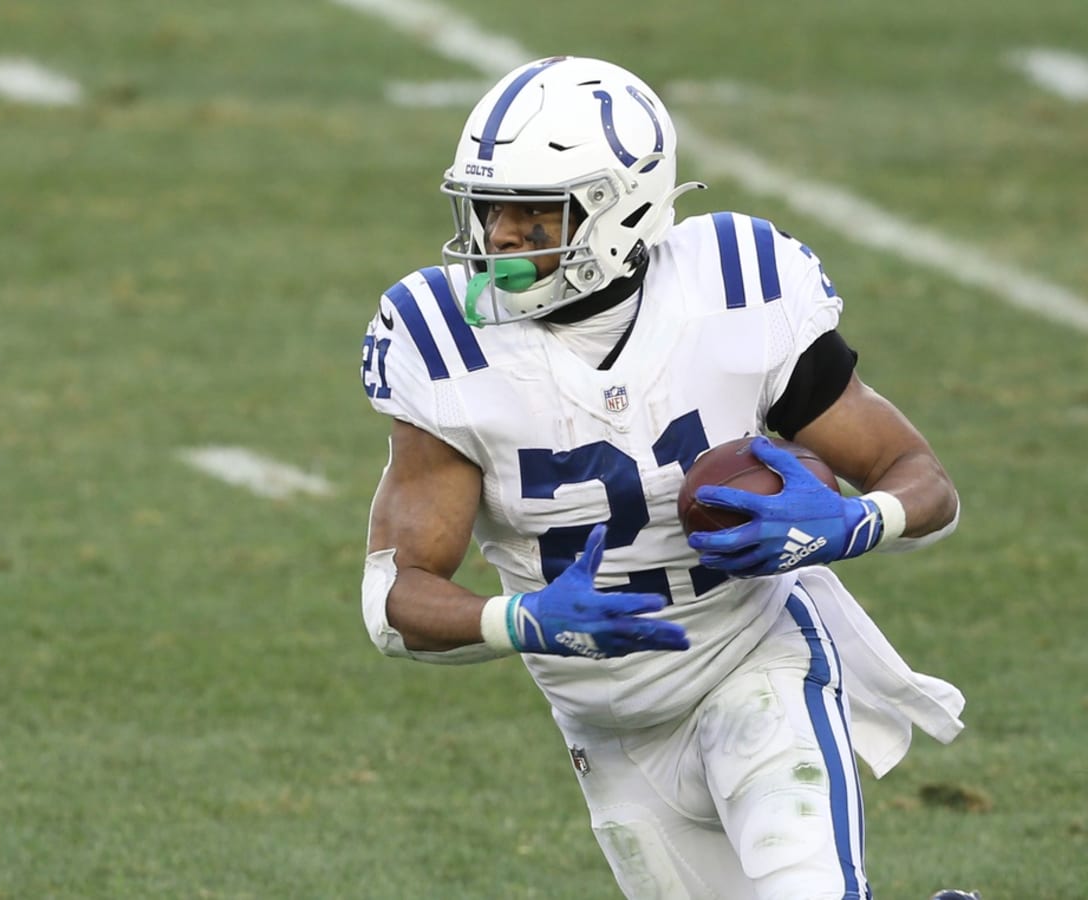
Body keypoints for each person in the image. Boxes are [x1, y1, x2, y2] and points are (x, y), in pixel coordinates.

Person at [359, 55, 973, 900]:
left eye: (534, 213)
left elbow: (922, 481)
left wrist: (854, 521)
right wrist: (522, 619)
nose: (497, 236)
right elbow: (394, 600)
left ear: (623, 209)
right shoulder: (446, 339)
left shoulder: (734, 285)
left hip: (758, 664)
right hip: (608, 728)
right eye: (488, 206)